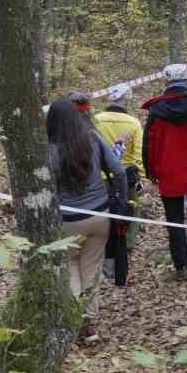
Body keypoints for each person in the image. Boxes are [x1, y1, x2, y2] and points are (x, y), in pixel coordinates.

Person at [46, 97, 126, 344]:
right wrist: (121, 201)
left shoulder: (47, 151)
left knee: (70, 267)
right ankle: (88, 321)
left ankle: (76, 320)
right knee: (91, 268)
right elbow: (119, 171)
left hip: (67, 219)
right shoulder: (93, 139)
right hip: (99, 216)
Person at [142, 63, 187, 282]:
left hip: (169, 172)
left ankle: (182, 266)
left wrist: (151, 171)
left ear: (166, 80)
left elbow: (150, 145)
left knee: (174, 221)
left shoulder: (157, 110)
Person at [93, 87, 144, 286]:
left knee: (103, 211)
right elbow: (138, 152)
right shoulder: (133, 123)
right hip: (127, 174)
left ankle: (104, 246)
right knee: (130, 210)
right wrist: (142, 177)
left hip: (101, 174)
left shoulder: (96, 120)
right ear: (127, 100)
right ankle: (127, 245)